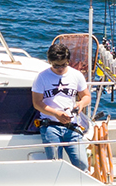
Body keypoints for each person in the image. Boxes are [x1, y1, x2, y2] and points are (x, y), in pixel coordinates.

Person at [32, 41, 90, 170]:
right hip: (50, 127)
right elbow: (37, 103)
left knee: (83, 165)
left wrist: (80, 104)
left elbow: (87, 96)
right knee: (55, 166)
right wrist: (56, 114)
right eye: (56, 65)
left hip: (72, 127)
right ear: (49, 62)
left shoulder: (76, 75)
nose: (60, 69)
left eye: (63, 65)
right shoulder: (41, 77)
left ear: (68, 61)